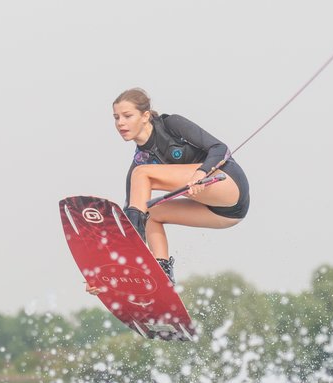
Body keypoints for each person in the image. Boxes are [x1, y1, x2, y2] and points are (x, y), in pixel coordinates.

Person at [86, 88, 250, 295]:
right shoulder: (139, 164)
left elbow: (220, 148)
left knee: (141, 174)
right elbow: (131, 222)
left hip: (228, 183)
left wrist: (200, 173)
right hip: (227, 215)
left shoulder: (171, 125)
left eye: (127, 116)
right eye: (116, 118)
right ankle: (161, 274)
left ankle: (135, 263)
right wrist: (107, 277)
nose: (120, 123)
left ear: (145, 116)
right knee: (149, 214)